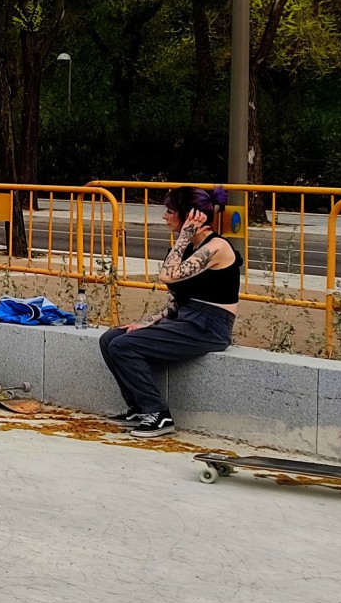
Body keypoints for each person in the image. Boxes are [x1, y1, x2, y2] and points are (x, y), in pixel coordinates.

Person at [98, 186, 241, 438]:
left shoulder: (217, 247)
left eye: (170, 211)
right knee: (110, 339)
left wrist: (184, 235)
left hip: (210, 327)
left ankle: (158, 414)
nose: (165, 217)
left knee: (124, 346)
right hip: (188, 318)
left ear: (188, 216)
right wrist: (148, 322)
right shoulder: (190, 248)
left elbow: (167, 275)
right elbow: (182, 299)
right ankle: (139, 408)